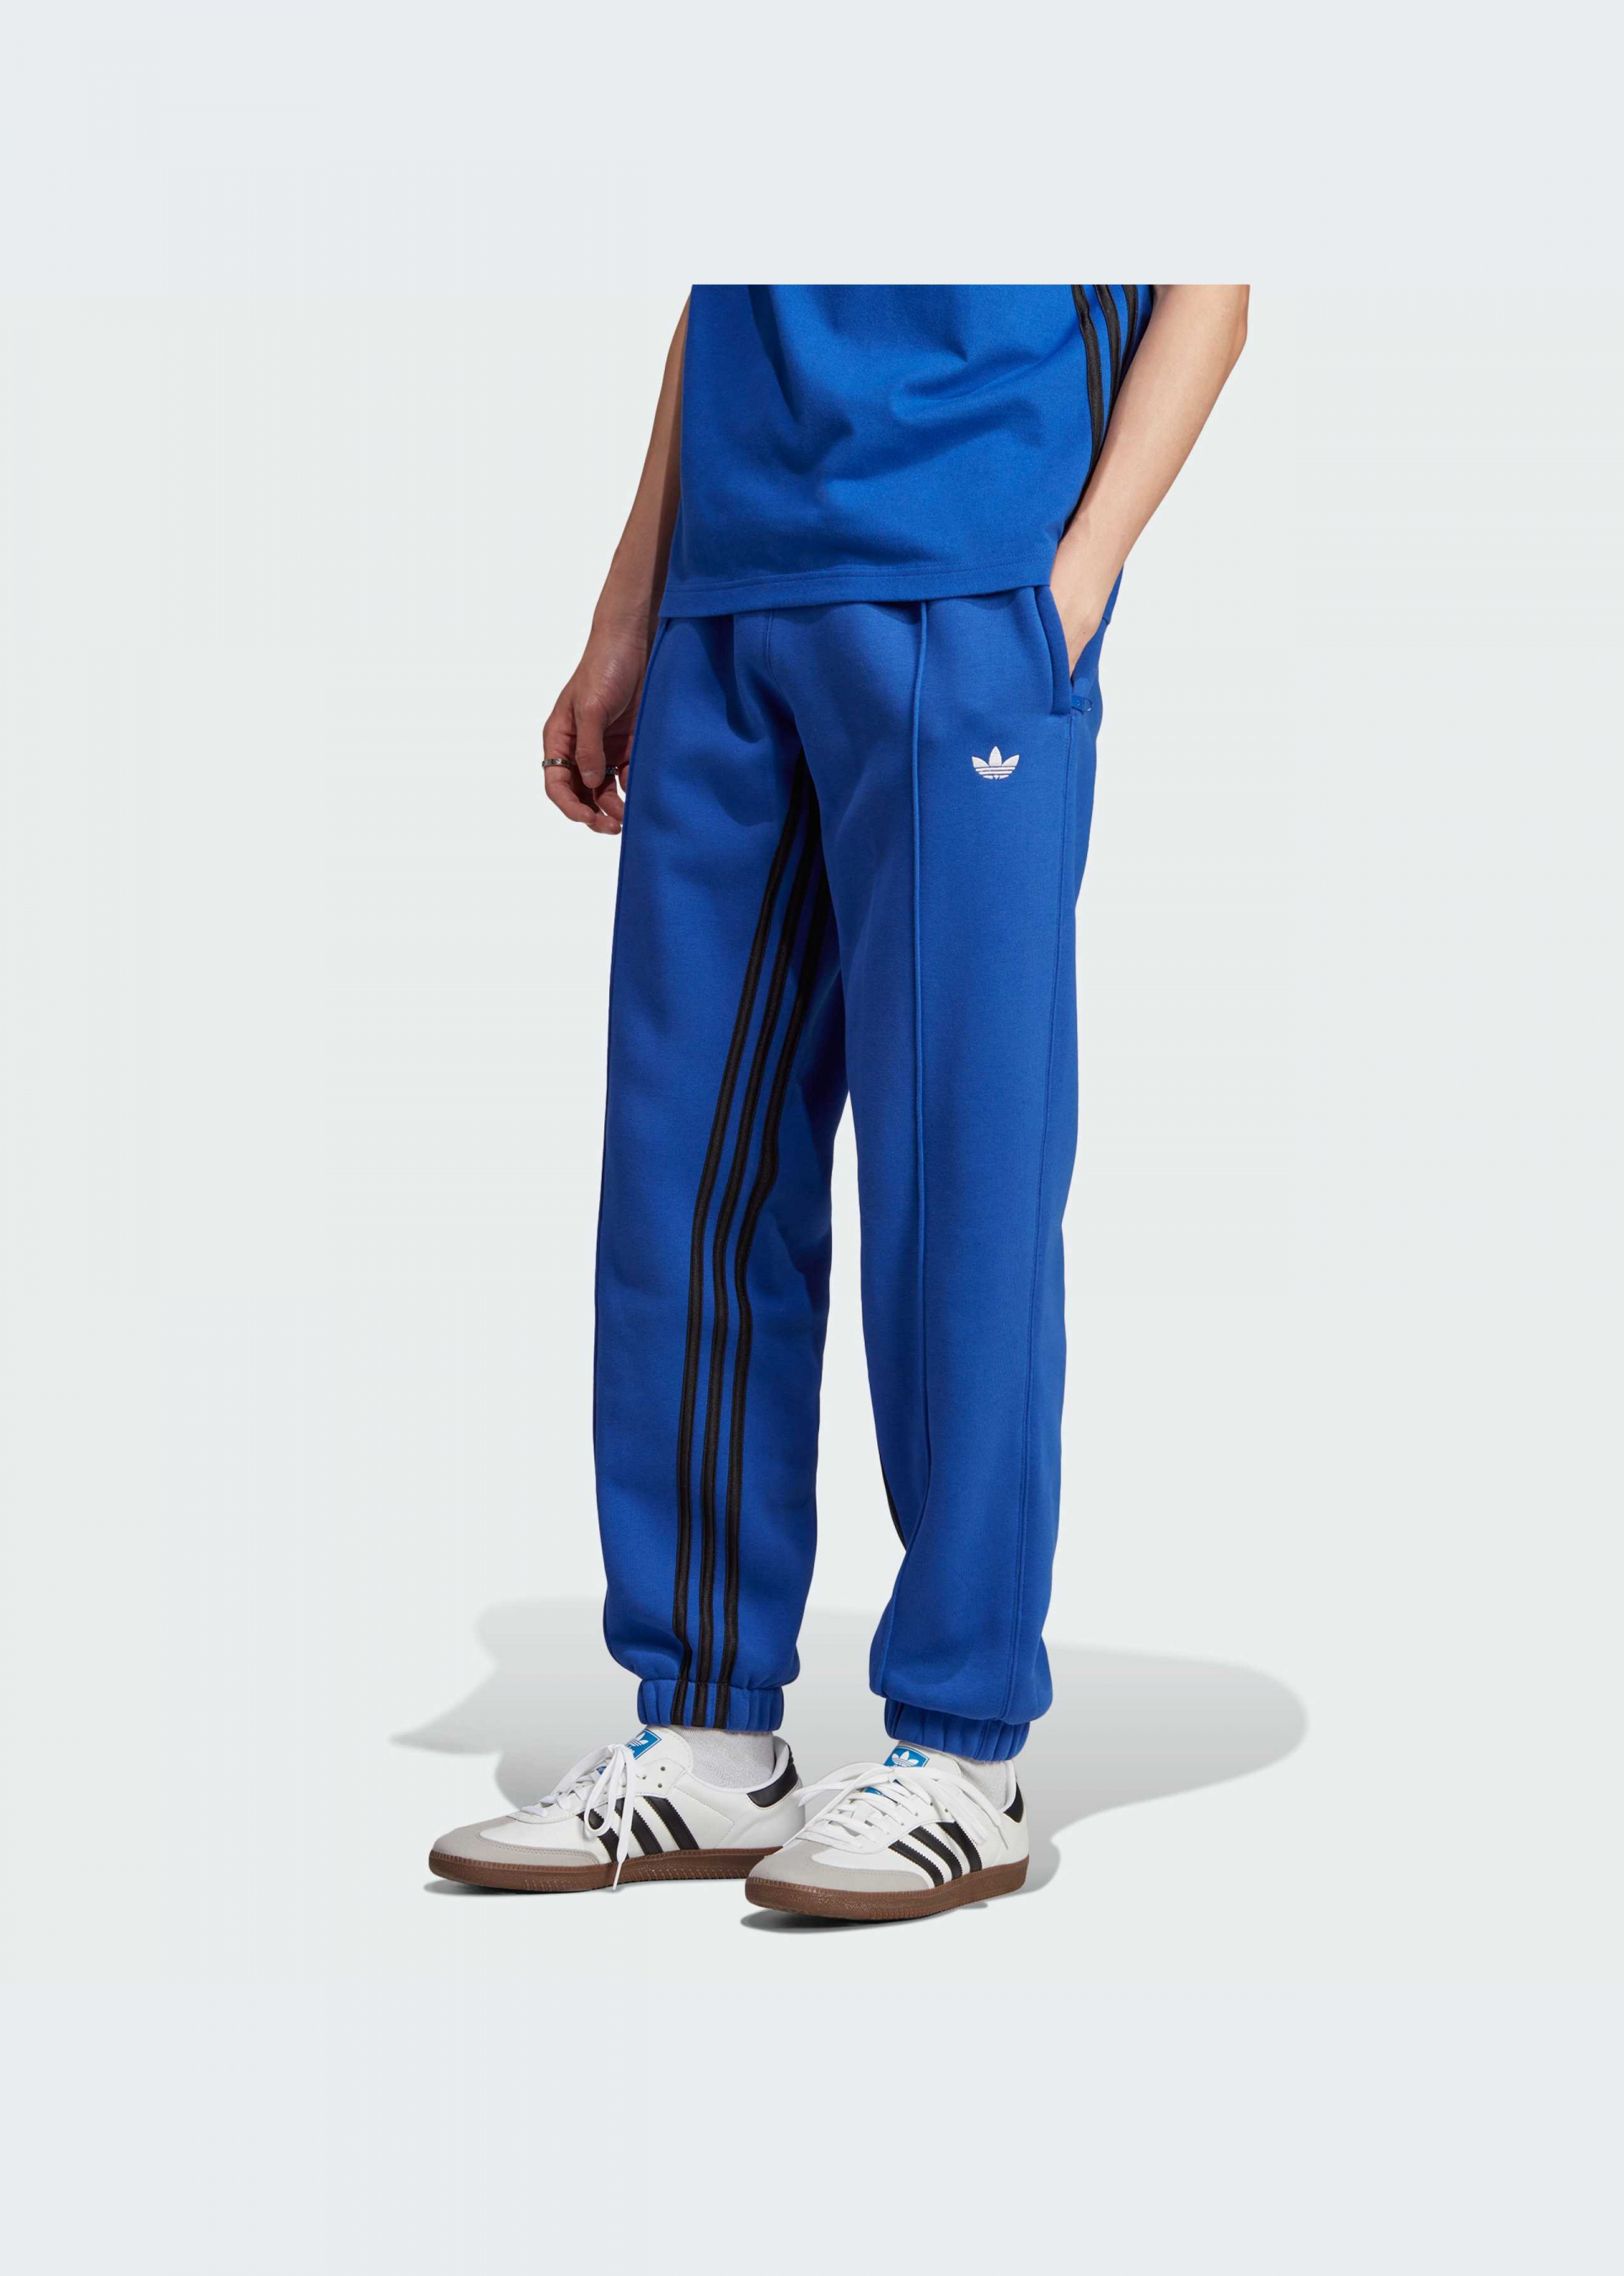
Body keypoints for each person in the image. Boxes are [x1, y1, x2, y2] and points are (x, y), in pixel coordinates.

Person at [430, 285, 1249, 1919]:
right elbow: (719, 294)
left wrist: (1067, 589)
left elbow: (1209, 281)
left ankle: (960, 1747)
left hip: (969, 583)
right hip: (728, 596)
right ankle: (707, 1730)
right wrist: (629, 607)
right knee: (686, 1182)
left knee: (958, 1184)